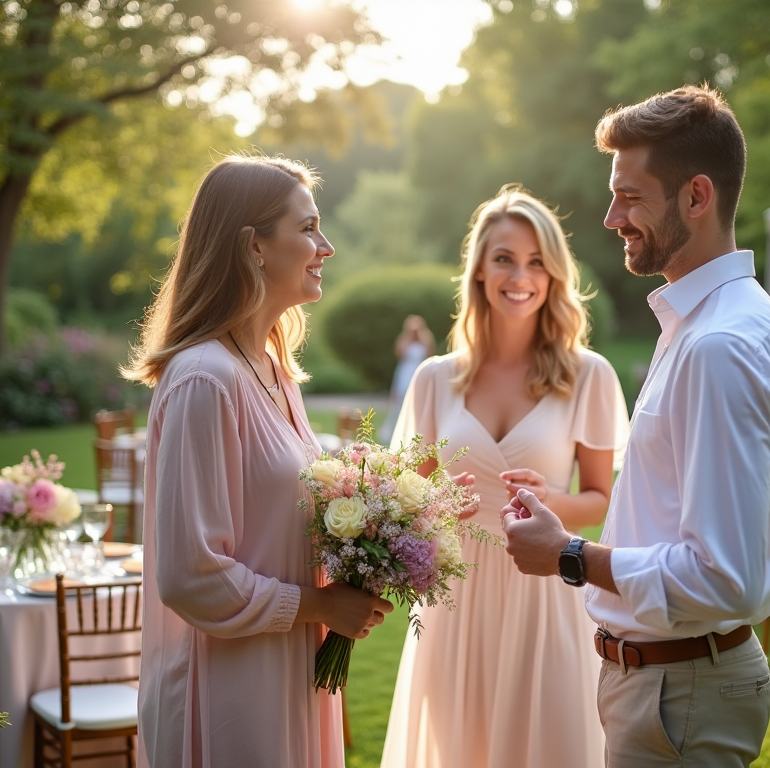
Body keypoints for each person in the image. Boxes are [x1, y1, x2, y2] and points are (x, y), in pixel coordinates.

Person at [501, 86, 770, 767]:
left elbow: (720, 576)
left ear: (696, 196)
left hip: (680, 693)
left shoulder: (719, 345)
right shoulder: (709, 323)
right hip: (673, 685)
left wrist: (569, 556)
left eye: (631, 196)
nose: (612, 217)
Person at [123, 155, 393, 768]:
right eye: (307, 229)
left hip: (291, 669)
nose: (325, 246)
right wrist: (321, 606)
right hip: (231, 691)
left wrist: (385, 518)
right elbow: (192, 576)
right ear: (253, 246)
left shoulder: (274, 371)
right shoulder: (204, 380)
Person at [380, 185, 630, 768]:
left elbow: (599, 499)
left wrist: (552, 501)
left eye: (536, 261)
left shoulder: (588, 375)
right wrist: (438, 505)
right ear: (479, 271)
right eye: (504, 259)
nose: (521, 275)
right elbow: (405, 501)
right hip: (455, 602)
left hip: (547, 589)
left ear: (554, 274)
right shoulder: (434, 380)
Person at [379, 315, 435, 444]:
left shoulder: (425, 340)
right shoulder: (404, 340)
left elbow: (430, 353)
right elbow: (399, 354)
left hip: (419, 370)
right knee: (400, 399)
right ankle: (395, 432)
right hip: (405, 372)